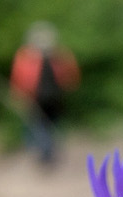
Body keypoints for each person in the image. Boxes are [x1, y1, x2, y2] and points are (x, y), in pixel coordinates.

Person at [10, 23, 80, 166]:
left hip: (55, 98)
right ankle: (45, 154)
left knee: (51, 125)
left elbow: (71, 73)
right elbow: (18, 78)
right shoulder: (25, 56)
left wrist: (69, 85)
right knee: (39, 126)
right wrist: (18, 95)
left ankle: (48, 153)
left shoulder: (60, 55)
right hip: (34, 98)